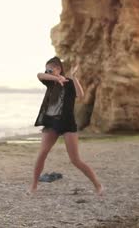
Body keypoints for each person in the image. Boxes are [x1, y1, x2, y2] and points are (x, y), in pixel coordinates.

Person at [31, 56, 102, 195]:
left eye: (50, 69)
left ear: (58, 69)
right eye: (47, 69)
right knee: (42, 153)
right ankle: (33, 185)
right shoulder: (50, 82)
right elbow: (39, 75)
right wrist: (56, 78)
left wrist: (74, 77)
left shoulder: (69, 83)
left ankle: (98, 185)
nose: (47, 71)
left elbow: (81, 95)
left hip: (67, 123)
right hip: (51, 123)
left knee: (75, 160)